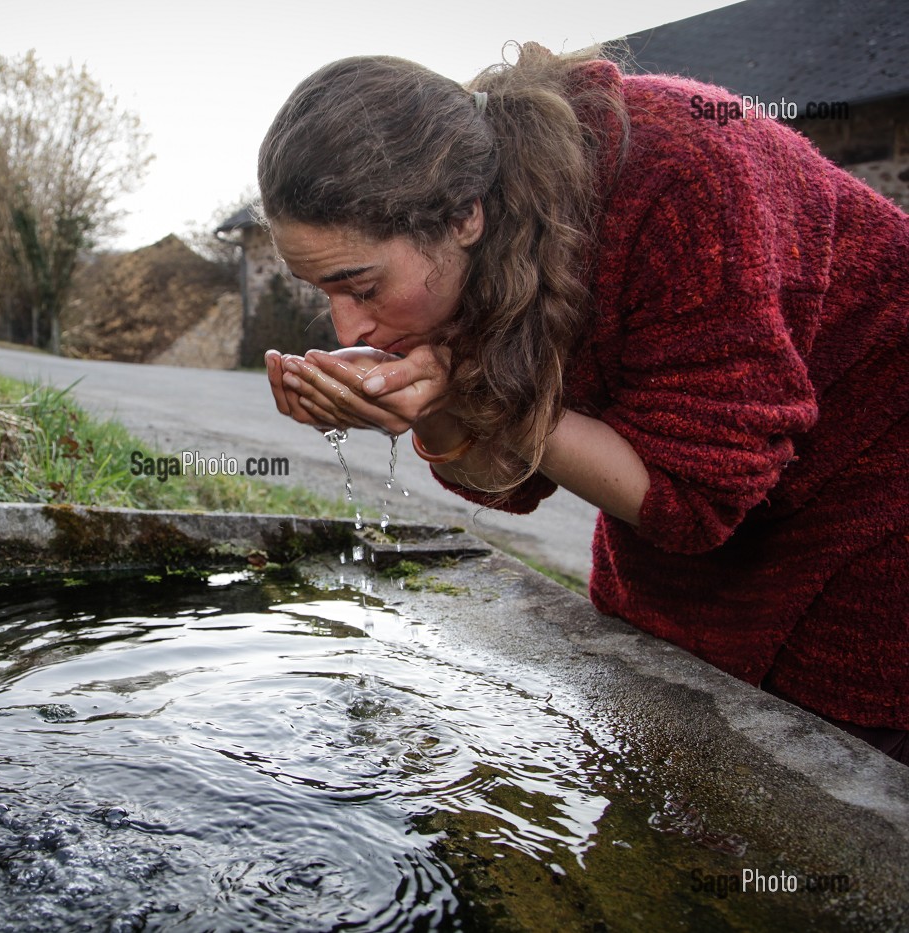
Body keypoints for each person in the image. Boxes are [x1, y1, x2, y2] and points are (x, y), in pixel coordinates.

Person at [258, 45, 908, 763]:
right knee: (658, 765)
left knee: (831, 800)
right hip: (684, 547)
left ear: (463, 215)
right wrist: (433, 403)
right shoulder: (477, 244)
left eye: (360, 285)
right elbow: (516, 478)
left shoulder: (684, 175)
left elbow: (690, 498)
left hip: (878, 509)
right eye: (323, 292)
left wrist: (466, 384)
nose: (347, 329)